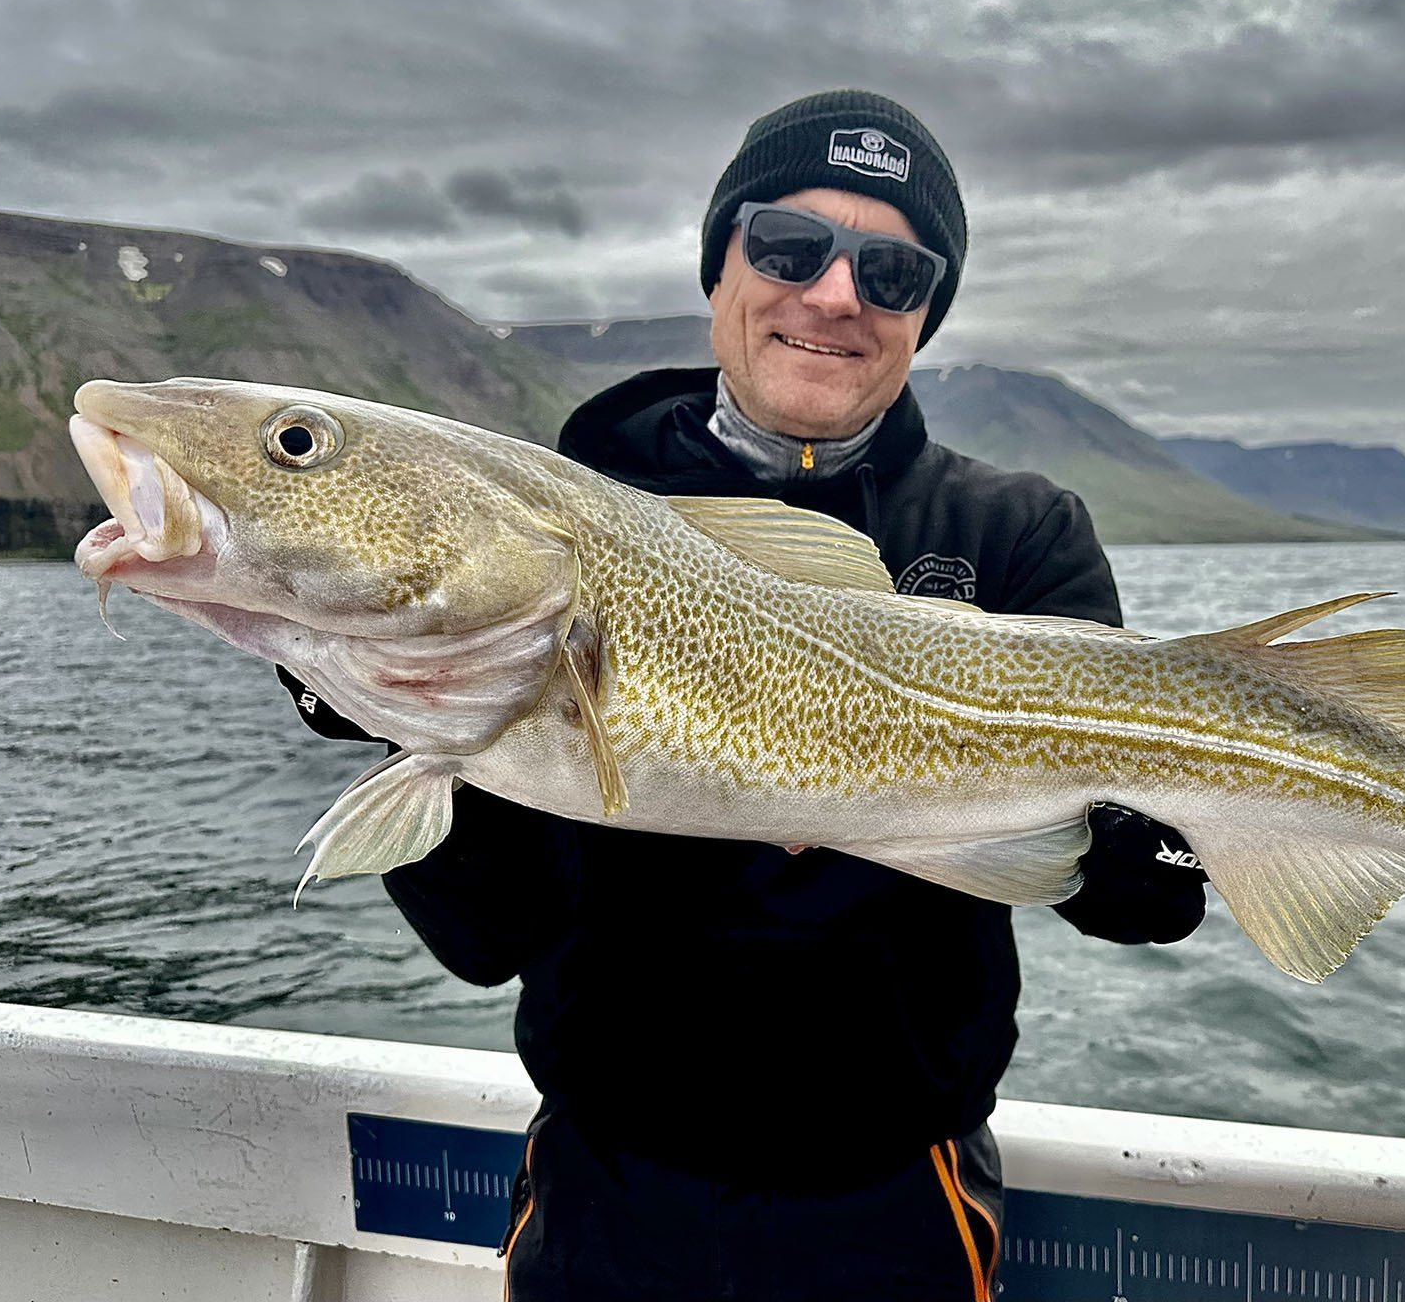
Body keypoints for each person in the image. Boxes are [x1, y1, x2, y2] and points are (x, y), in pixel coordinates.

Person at [279, 89, 1208, 1301]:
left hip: (897, 1203)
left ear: (926, 313)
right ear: (720, 269)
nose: (835, 294)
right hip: (605, 1194)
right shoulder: (560, 523)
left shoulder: (1016, 534)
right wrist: (392, 700)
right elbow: (485, 936)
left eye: (893, 270)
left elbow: (1152, 903)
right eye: (787, 245)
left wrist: (1112, 830)